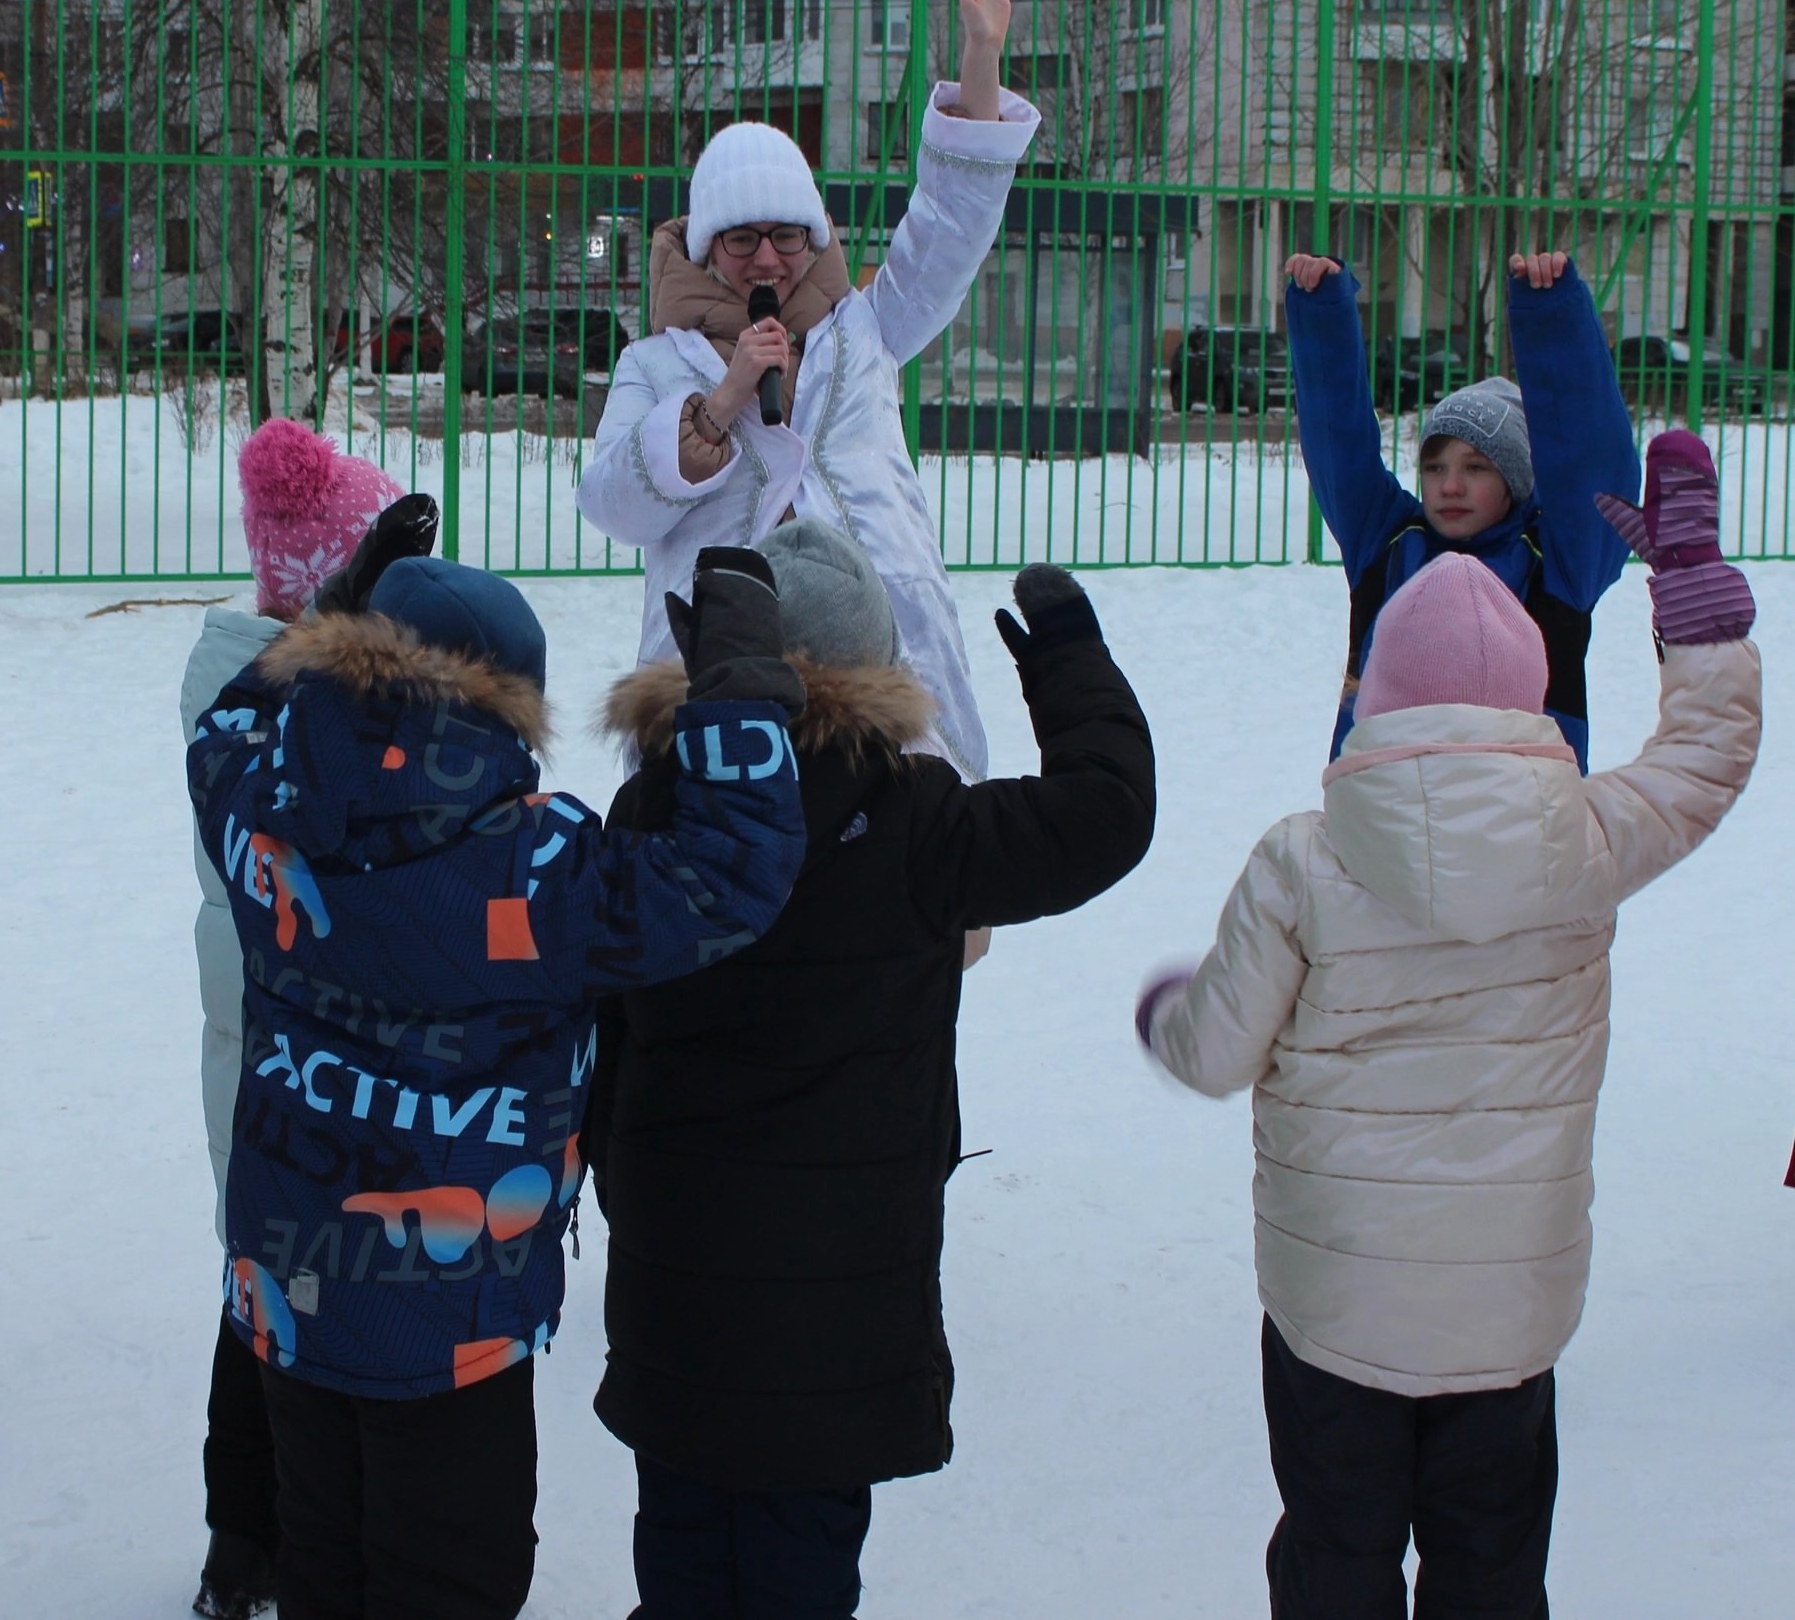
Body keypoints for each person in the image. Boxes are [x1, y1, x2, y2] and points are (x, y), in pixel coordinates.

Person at [1136, 435, 1760, 1619]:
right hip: (1509, 1310)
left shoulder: (1303, 858)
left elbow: (1215, 1053)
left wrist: (1171, 1016)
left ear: (1376, 694)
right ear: (1526, 691)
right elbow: (1704, 758)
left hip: (1336, 1311)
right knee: (1488, 1560)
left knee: (1338, 1549)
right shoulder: (1587, 837)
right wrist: (1694, 609)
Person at [186, 535, 813, 1620]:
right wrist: (739, 689)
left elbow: (227, 723)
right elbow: (730, 871)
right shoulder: (541, 874)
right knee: (452, 1573)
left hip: (287, 1281)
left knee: (323, 1554)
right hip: (453, 1305)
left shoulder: (259, 808)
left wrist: (334, 607)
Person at [591, 528, 1157, 1620]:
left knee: (682, 1521)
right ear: (874, 669)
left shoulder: (655, 806)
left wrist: (615, 1165)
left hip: (678, 1256)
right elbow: (1105, 813)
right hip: (844, 1274)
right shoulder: (915, 821)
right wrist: (1069, 660)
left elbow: (610, 1017)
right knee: (802, 1536)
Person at [578, 0, 1040, 780]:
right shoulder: (657, 363)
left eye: (787, 235)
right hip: (721, 688)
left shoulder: (866, 329)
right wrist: (719, 405)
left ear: (814, 235)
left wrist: (981, 56)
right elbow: (610, 504)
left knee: (923, 882)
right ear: (710, 249)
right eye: (743, 239)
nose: (767, 260)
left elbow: (949, 227)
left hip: (887, 675)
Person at [177, 418, 408, 1620]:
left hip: (273, 1066)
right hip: (286, 1072)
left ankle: (251, 1540)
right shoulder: (279, 708)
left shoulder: (241, 674)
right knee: (283, 1318)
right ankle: (255, 1539)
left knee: (265, 1298)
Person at [1286, 248, 1638, 768]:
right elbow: (1336, 436)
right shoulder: (1386, 545)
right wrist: (1321, 314)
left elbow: (1591, 463)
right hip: (1384, 811)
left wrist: (1553, 318)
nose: (1450, 486)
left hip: (1519, 823)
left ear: (1515, 481)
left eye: (1476, 468)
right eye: (1435, 467)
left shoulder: (1559, 565)